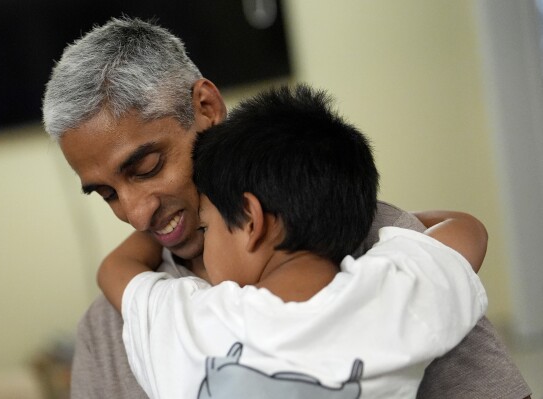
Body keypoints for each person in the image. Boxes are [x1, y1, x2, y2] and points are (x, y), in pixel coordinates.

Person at [42, 16, 531, 399]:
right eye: (106, 194)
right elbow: (467, 234)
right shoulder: (109, 327)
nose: (135, 212)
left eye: (146, 166)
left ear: (207, 109)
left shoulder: (375, 240)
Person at [97, 84, 488, 398]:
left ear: (250, 220)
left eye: (206, 227)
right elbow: (467, 229)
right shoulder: (392, 296)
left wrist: (163, 224)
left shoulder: (194, 324)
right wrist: (352, 213)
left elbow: (115, 270)